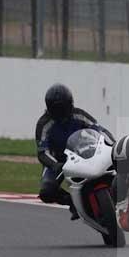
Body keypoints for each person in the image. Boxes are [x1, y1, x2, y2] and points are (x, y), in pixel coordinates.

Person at [35, 83, 114, 219]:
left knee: (113, 168)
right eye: (57, 109)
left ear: (70, 103)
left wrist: (113, 145)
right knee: (46, 192)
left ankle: (116, 195)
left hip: (82, 153)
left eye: (64, 107)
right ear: (50, 108)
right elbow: (42, 152)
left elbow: (100, 130)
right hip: (57, 160)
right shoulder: (44, 124)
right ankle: (73, 203)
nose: (62, 112)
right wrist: (55, 165)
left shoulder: (79, 114)